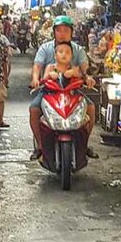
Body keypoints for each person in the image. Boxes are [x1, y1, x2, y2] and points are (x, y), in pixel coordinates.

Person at [29, 16, 96, 161]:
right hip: (49, 91)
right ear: (54, 32)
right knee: (34, 109)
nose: (62, 33)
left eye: (66, 30)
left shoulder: (77, 50)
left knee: (90, 108)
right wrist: (35, 79)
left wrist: (88, 77)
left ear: (71, 32)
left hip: (72, 91)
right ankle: (40, 146)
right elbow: (37, 66)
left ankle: (84, 145)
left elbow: (85, 69)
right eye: (59, 30)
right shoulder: (45, 48)